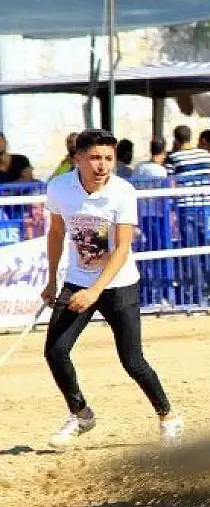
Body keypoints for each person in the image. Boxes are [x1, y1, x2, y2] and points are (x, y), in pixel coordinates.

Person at [41, 129, 184, 450]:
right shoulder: (60, 187)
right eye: (94, 158)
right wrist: (51, 280)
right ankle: (81, 414)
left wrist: (94, 292)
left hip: (118, 285)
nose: (102, 165)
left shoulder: (123, 192)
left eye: (108, 158)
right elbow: (56, 233)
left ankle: (168, 416)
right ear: (77, 158)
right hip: (77, 280)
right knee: (55, 351)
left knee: (133, 361)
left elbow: (121, 248)